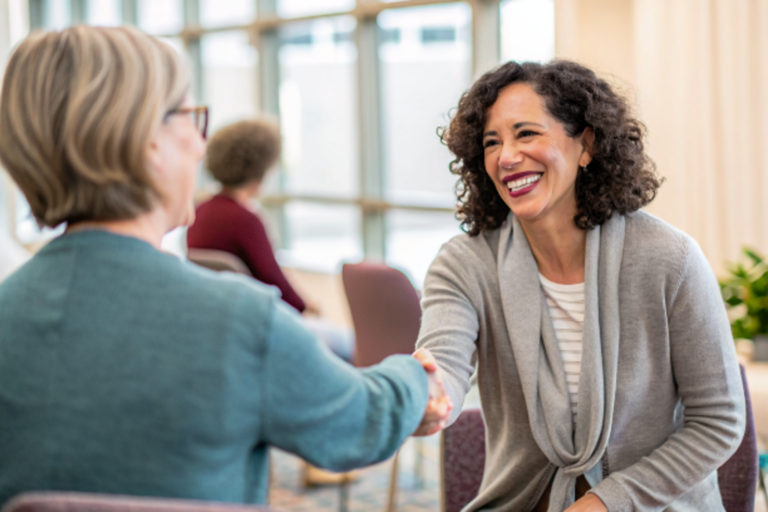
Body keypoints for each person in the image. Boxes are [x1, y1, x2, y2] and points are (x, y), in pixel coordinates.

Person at [0, 26, 451, 507]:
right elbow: (363, 421)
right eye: (192, 119)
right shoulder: (239, 322)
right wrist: (415, 379)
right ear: (146, 140)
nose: (200, 146)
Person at [416, 60, 745, 512]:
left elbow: (719, 421)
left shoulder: (671, 259)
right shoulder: (466, 264)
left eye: (526, 134)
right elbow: (445, 366)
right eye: (492, 142)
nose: (506, 156)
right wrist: (425, 395)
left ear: (585, 144)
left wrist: (608, 503)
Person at [187, 119, 354, 362]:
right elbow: (273, 280)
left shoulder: (200, 211)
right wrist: (308, 306)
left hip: (224, 323)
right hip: (262, 325)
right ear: (259, 170)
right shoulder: (245, 219)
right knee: (348, 342)